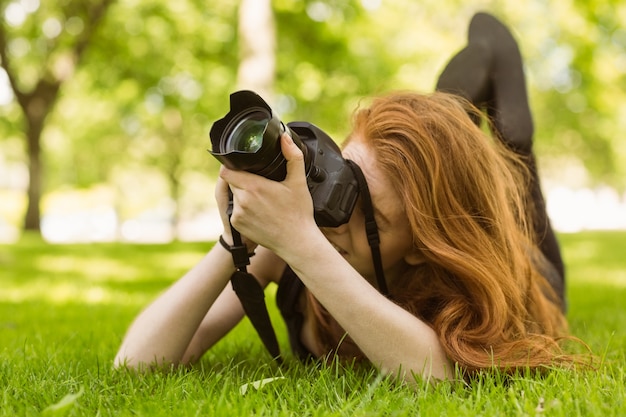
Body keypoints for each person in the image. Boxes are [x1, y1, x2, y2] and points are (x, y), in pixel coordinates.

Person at [114, 13, 584, 383]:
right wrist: (233, 244)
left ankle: (504, 100)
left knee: (511, 180)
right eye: (340, 179)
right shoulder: (292, 245)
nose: (330, 217)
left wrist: (301, 244)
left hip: (522, 266)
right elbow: (136, 365)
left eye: (370, 214)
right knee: (430, 153)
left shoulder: (461, 291)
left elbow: (440, 376)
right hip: (415, 213)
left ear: (422, 243)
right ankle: (451, 115)